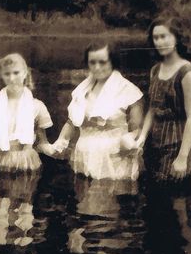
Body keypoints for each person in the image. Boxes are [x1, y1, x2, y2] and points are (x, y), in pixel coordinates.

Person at [51, 42, 143, 181]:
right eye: (92, 62)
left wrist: (131, 139)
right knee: (85, 200)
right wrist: (61, 140)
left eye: (102, 62)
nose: (97, 67)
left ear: (112, 62)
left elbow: (136, 128)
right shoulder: (82, 90)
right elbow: (71, 123)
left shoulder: (129, 91)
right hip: (84, 155)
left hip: (114, 158)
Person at [0, 53, 54, 172]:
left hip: (26, 163)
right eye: (7, 74)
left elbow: (42, 143)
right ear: (2, 75)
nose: (12, 78)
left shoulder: (37, 106)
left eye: (16, 73)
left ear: (25, 73)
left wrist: (58, 146)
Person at [136, 18, 191, 183]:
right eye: (156, 38)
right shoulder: (155, 70)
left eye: (164, 36)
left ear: (176, 38)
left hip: (178, 144)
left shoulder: (186, 72)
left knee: (177, 199)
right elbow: (152, 109)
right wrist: (141, 138)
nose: (160, 42)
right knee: (155, 199)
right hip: (154, 144)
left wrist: (183, 157)